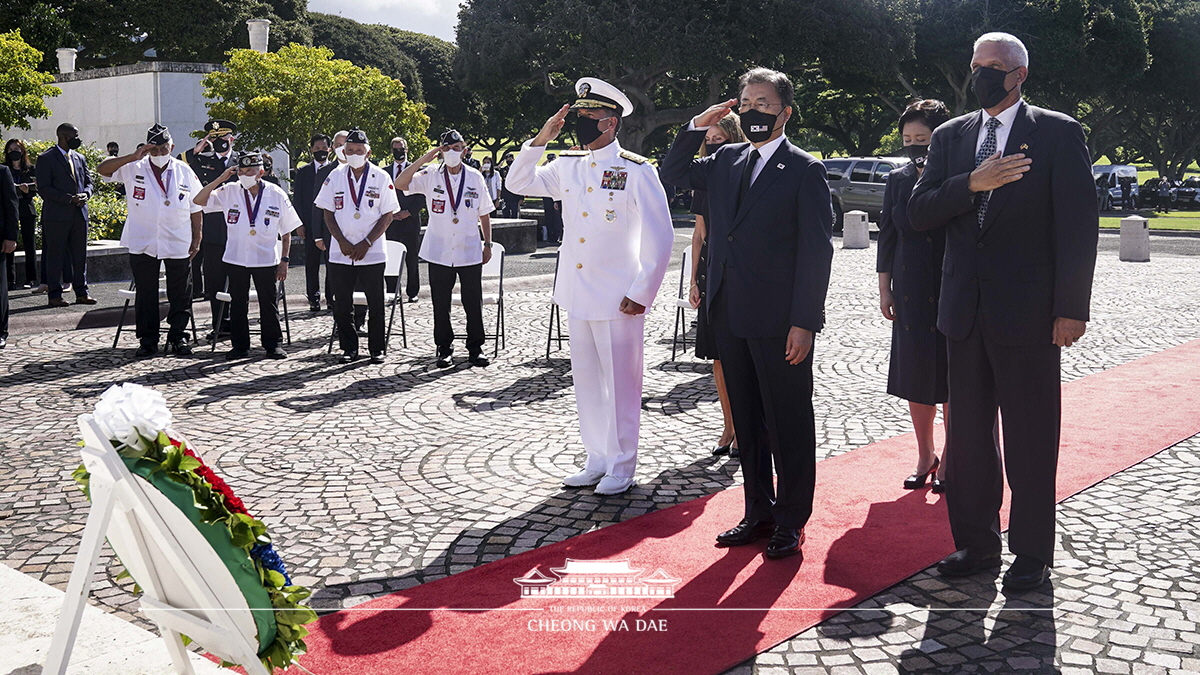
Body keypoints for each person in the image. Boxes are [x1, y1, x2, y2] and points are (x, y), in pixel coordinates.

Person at [908, 33, 1098, 591]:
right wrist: (971, 183)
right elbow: (919, 212)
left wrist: (1071, 308)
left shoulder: (1059, 133)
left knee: (1031, 436)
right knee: (966, 439)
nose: (979, 75)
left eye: (990, 66)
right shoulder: (950, 136)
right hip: (962, 312)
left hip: (1032, 315)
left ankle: (1032, 552)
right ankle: (975, 543)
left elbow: (1078, 228)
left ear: (1019, 75)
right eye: (974, 65)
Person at [661, 67, 834, 560]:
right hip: (729, 313)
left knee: (788, 421)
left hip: (781, 320)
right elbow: (669, 175)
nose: (755, 110)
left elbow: (816, 252)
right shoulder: (723, 160)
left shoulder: (804, 169)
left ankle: (791, 519)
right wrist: (695, 126)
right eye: (747, 102)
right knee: (748, 421)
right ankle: (757, 511)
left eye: (764, 103)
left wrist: (805, 321)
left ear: (786, 112)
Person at [507, 77, 674, 496]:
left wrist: (642, 290)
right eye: (578, 115)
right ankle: (596, 457)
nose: (580, 122)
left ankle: (622, 463)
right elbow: (516, 184)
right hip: (577, 292)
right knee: (586, 382)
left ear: (611, 123)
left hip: (620, 297)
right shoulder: (567, 165)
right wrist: (541, 139)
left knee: (621, 384)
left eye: (589, 116)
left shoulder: (636, 169)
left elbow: (661, 235)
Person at [877, 99, 953, 492]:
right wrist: (884, 287)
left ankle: (953, 457)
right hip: (908, 287)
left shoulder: (958, 174)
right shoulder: (898, 178)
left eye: (921, 138)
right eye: (907, 138)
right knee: (916, 374)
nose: (913, 145)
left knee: (951, 375)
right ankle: (926, 454)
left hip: (950, 284)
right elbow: (887, 234)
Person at [98, 124, 203, 357]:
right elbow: (102, 170)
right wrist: (133, 156)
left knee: (181, 292)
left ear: (171, 147)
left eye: (163, 149)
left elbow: (196, 206)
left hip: (178, 239)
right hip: (143, 239)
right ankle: (148, 339)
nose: (158, 154)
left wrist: (197, 237)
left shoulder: (184, 170)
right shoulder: (133, 167)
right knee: (146, 292)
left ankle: (179, 337)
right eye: (153, 150)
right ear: (146, 148)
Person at [398, 129, 495, 369]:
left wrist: (488, 243)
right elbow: (400, 183)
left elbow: (484, 213)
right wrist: (423, 159)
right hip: (439, 249)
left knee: (473, 301)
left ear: (464, 149)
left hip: (469, 247)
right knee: (440, 302)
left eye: (457, 147)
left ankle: (476, 348)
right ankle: (444, 348)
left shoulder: (474, 176)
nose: (453, 152)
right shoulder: (431, 174)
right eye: (448, 148)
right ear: (441, 151)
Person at [195, 153, 302, 361]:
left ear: (260, 172)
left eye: (249, 172)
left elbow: (287, 230)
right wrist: (220, 179)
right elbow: (199, 201)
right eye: (241, 171)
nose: (244, 175)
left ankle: (273, 345)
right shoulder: (230, 191)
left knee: (268, 304)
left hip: (266, 259)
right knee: (238, 304)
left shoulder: (276, 194)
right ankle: (240, 345)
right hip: (237, 258)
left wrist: (285, 260)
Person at [685, 113, 746, 458]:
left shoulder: (746, 173)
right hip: (712, 275)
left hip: (742, 274)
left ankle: (747, 427)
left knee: (743, 358)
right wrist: (694, 280)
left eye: (718, 139)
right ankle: (729, 425)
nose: (712, 144)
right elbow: (699, 234)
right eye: (708, 139)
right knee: (719, 360)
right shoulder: (705, 177)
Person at [314, 129, 399, 364]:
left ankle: (376, 349)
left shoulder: (382, 177)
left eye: (359, 151)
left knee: (376, 302)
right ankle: (348, 348)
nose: (354, 155)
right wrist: (340, 240)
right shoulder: (335, 176)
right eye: (349, 151)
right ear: (343, 152)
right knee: (341, 303)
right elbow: (327, 212)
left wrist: (367, 242)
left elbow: (388, 215)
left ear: (368, 152)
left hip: (371, 251)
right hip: (341, 252)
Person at [36, 122, 96, 308]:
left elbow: (89, 181)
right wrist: (69, 199)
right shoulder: (46, 158)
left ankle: (81, 293)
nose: (77, 139)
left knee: (80, 255)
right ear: (63, 136)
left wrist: (86, 194)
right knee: (55, 255)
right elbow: (44, 189)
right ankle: (54, 295)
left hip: (79, 215)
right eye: (74, 136)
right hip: (56, 216)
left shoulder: (79, 158)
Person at [184, 119, 238, 317]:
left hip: (238, 230)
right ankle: (219, 322)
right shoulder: (202, 160)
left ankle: (236, 322)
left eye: (222, 138)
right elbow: (178, 164)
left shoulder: (243, 161)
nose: (219, 142)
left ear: (231, 139)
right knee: (214, 280)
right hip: (213, 230)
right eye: (214, 138)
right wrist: (196, 150)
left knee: (236, 281)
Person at [381, 136, 425, 302]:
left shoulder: (415, 170)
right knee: (390, 257)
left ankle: (412, 292)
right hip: (391, 221)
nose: (398, 152)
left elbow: (422, 196)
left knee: (411, 258)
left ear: (406, 149)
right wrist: (389, 213)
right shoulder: (385, 172)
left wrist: (409, 212)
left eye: (401, 148)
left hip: (410, 221)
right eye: (395, 149)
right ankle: (393, 292)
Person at [292, 134, 332, 311]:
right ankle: (313, 298)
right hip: (309, 224)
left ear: (330, 149)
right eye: (317, 149)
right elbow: (298, 199)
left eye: (323, 148)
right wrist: (298, 224)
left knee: (332, 263)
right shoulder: (304, 172)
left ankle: (331, 298)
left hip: (331, 226)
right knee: (312, 263)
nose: (320, 152)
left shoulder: (335, 170)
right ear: (311, 150)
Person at [4, 140, 37, 289]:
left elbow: (38, 188)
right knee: (9, 242)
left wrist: (27, 190)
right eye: (10, 149)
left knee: (29, 243)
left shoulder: (30, 169)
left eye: (16, 148)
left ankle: (31, 279)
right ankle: (10, 280)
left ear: (22, 150)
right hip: (9, 211)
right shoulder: (5, 169)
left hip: (26, 209)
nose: (13, 152)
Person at [0, 160, 17, 349]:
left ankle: (1, 331)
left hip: (0, 239)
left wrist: (11, 237)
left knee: (0, 289)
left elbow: (12, 207)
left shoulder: (3, 172)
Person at [498, 152, 522, 219]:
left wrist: (521, 197)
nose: (509, 160)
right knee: (505, 214)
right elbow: (501, 183)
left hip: (515, 196)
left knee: (515, 214)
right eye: (507, 159)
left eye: (510, 159)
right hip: (505, 196)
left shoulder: (517, 169)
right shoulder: (502, 170)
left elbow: (520, 183)